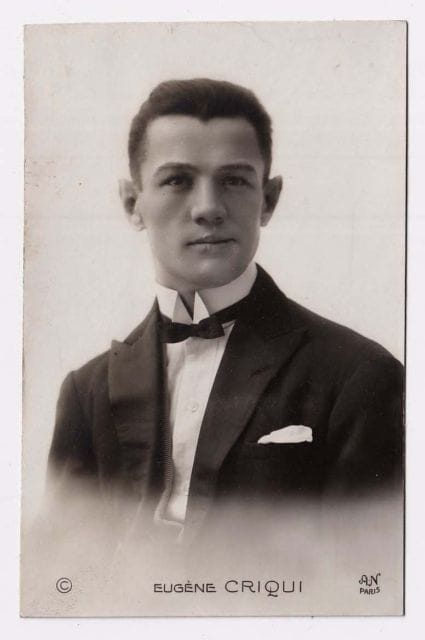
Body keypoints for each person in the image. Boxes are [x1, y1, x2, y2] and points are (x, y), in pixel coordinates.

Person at [47, 78, 403, 552]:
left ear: (268, 200)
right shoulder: (87, 391)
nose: (209, 208)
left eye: (234, 180)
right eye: (177, 180)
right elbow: (64, 573)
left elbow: (368, 574)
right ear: (133, 203)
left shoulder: (361, 377)